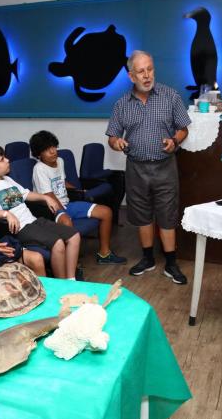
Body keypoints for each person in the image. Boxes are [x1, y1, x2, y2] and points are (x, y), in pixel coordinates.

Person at [106, 50, 191, 284]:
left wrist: (175, 140)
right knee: (142, 215)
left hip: (165, 167)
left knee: (167, 214)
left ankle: (171, 263)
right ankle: (147, 259)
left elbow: (184, 127)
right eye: (141, 71)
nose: (147, 75)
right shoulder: (122, 104)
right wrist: (117, 142)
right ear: (131, 76)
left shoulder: (170, 96)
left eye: (150, 69)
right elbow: (112, 136)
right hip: (136, 168)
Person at [0, 143, 80, 279]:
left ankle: (71, 280)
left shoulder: (8, 179)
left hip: (33, 221)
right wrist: (6, 213)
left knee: (74, 236)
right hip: (20, 229)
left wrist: (45, 198)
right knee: (58, 243)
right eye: (1, 160)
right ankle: (61, 284)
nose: (7, 160)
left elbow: (26, 194)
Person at [29, 130, 126, 266]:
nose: (53, 152)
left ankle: (104, 254)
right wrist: (62, 212)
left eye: (54, 147)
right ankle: (70, 264)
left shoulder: (60, 161)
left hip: (67, 204)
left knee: (106, 212)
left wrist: (78, 190)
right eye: (47, 150)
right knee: (67, 223)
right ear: (38, 154)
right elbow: (48, 195)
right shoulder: (39, 169)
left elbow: (62, 182)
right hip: (50, 209)